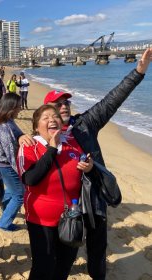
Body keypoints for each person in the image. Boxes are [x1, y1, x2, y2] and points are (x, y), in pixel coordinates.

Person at [39, 47, 152, 280]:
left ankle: (96, 274)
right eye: (58, 105)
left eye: (66, 103)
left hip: (93, 198)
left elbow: (112, 99)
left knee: (97, 245)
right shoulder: (41, 136)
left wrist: (139, 71)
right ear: (47, 113)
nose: (64, 107)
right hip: (65, 203)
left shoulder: (86, 124)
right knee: (67, 249)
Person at [17, 104, 94, 280]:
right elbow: (30, 179)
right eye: (46, 117)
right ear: (36, 126)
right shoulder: (30, 146)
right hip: (41, 219)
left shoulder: (72, 144)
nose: (52, 119)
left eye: (55, 116)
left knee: (65, 263)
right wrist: (51, 148)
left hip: (71, 216)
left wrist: (88, 168)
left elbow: (85, 173)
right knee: (43, 266)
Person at [0, 93, 32, 231]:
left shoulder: (8, 121)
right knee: (20, 194)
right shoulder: (3, 126)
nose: (20, 108)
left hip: (3, 163)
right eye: (18, 106)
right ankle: (3, 223)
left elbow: (18, 134)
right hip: (5, 165)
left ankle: (5, 208)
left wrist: (21, 137)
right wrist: (21, 171)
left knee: (13, 189)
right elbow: (9, 154)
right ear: (11, 107)